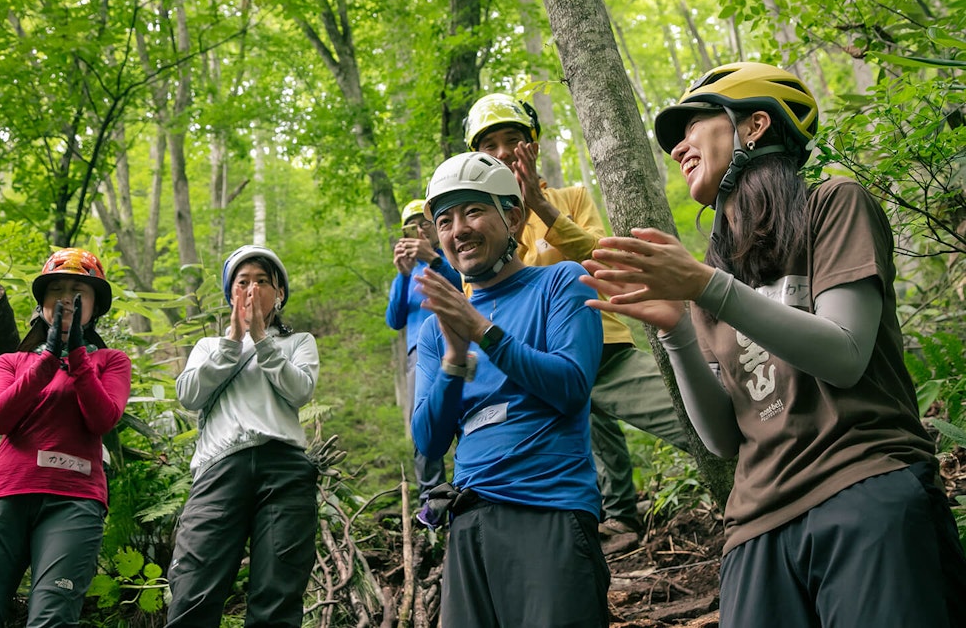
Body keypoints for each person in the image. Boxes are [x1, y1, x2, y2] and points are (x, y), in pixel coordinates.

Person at [581, 61, 966, 626]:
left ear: (755, 125)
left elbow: (845, 354)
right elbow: (721, 439)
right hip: (755, 528)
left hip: (863, 485)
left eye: (694, 124)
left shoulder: (832, 205)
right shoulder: (709, 275)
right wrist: (678, 332)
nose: (679, 147)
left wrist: (708, 289)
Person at [463, 92, 689, 536]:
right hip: (539, 367)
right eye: (490, 146)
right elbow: (488, 294)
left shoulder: (570, 198)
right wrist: (511, 218)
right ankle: (617, 519)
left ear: (533, 145)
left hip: (604, 349)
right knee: (588, 446)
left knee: (686, 416)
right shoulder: (477, 225)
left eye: (513, 139)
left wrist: (542, 209)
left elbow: (606, 262)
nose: (504, 152)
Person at [412, 151, 610, 627]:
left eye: (473, 211)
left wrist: (485, 333)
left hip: (550, 509)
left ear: (514, 216)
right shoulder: (437, 328)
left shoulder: (561, 283)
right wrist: (456, 360)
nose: (458, 229)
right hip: (469, 520)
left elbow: (571, 385)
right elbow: (428, 440)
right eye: (445, 219)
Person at [0, 247, 131, 628]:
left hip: (73, 500)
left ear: (95, 307)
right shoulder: (11, 362)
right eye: (56, 289)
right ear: (41, 303)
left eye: (78, 292)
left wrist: (76, 355)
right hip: (2, 495)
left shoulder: (111, 361)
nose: (65, 300)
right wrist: (47, 359)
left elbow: (103, 419)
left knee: (53, 615)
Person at [166, 245, 320, 627]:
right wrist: (233, 342)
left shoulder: (299, 342)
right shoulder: (207, 347)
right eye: (243, 281)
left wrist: (262, 340)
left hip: (284, 468)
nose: (252, 290)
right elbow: (188, 395)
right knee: (194, 588)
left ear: (279, 293)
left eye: (263, 282)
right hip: (219, 468)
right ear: (230, 294)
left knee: (278, 591)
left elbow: (301, 390)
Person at [385, 199, 461, 504]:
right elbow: (394, 319)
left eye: (424, 223)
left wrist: (435, 260)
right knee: (425, 420)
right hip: (419, 351)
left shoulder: (453, 255)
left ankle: (475, 485)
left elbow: (464, 288)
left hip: (460, 342)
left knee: (469, 413)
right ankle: (430, 500)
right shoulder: (406, 272)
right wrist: (403, 275)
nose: (418, 231)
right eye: (411, 226)